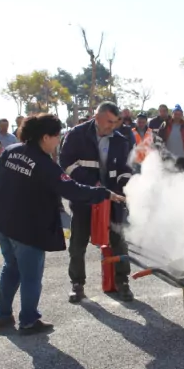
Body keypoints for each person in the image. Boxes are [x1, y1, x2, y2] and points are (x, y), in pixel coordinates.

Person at [0, 114, 125, 335]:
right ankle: (28, 321)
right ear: (45, 137)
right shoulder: (45, 165)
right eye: (57, 137)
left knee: (11, 267)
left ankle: (3, 314)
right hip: (26, 229)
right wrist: (104, 193)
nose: (58, 142)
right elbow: (73, 190)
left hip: (2, 222)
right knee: (31, 276)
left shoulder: (11, 151)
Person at [59, 101, 135, 303]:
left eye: (115, 122)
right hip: (84, 198)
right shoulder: (76, 135)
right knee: (78, 243)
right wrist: (94, 187)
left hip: (113, 200)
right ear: (97, 116)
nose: (112, 126)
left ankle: (122, 281)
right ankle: (77, 284)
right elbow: (66, 164)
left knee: (118, 240)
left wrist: (123, 187)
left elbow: (127, 168)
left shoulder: (121, 140)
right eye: (109, 121)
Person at [157, 104, 184, 171]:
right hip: (168, 158)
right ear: (172, 114)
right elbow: (159, 140)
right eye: (176, 114)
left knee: (182, 178)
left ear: (182, 115)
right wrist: (159, 153)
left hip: (183, 158)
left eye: (179, 114)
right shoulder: (165, 125)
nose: (177, 116)